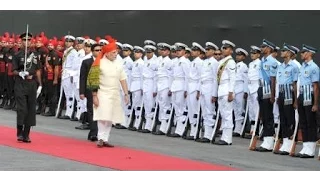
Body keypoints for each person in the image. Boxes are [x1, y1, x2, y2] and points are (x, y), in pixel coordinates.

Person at [87, 35, 129, 147]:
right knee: (102, 116)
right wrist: (94, 95)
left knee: (111, 117)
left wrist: (126, 93)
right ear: (107, 53)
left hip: (115, 93)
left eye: (116, 52)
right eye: (113, 52)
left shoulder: (118, 63)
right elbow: (93, 80)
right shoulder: (99, 63)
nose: (116, 54)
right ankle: (100, 138)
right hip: (102, 92)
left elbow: (123, 79)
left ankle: (105, 139)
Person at [12, 32, 42, 143]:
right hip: (20, 83)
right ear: (21, 41)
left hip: (32, 83)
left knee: (30, 109)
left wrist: (40, 85)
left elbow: (38, 70)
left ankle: (26, 134)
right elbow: (14, 70)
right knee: (22, 109)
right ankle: (19, 131)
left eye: (28, 40)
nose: (27, 42)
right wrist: (20, 73)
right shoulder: (17, 54)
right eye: (24, 40)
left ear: (31, 41)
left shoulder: (35, 54)